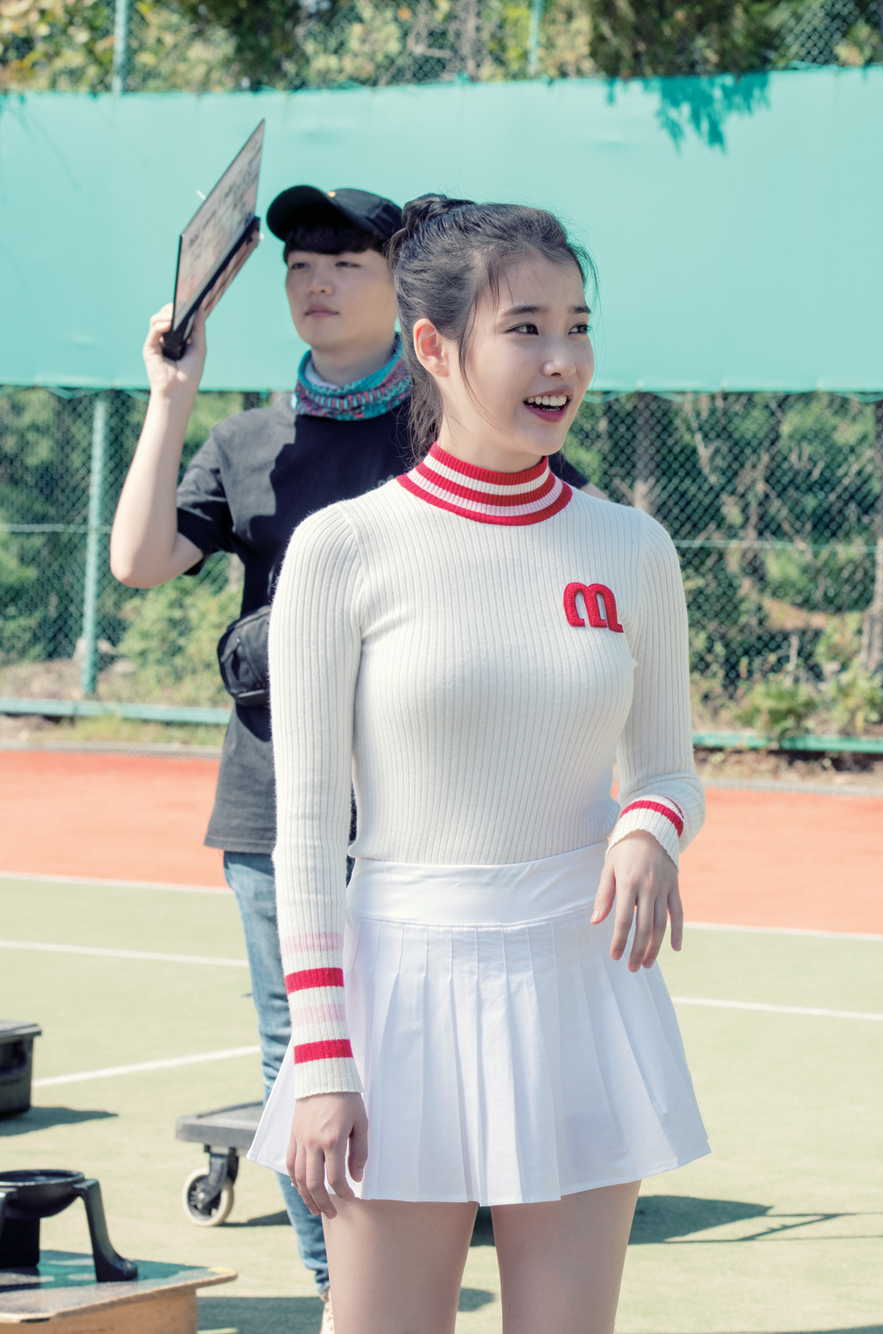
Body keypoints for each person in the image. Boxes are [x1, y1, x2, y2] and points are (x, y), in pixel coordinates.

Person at [108, 184, 599, 1325]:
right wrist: (170, 397)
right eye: (298, 265)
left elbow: (556, 563)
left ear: (411, 301)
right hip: (277, 801)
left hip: (433, 817)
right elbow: (137, 559)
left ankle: (440, 1247)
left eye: (345, 263)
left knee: (431, 1053)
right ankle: (346, 1287)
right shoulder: (247, 441)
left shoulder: (460, 430)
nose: (316, 283)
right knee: (304, 1051)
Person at [243, 195, 708, 1334]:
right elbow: (307, 833)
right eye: (526, 329)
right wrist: (324, 1059)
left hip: (581, 982)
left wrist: (649, 826)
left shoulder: (632, 547)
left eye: (578, 327)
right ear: (435, 347)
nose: (562, 361)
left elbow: (668, 769)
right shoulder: (343, 548)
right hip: (397, 992)